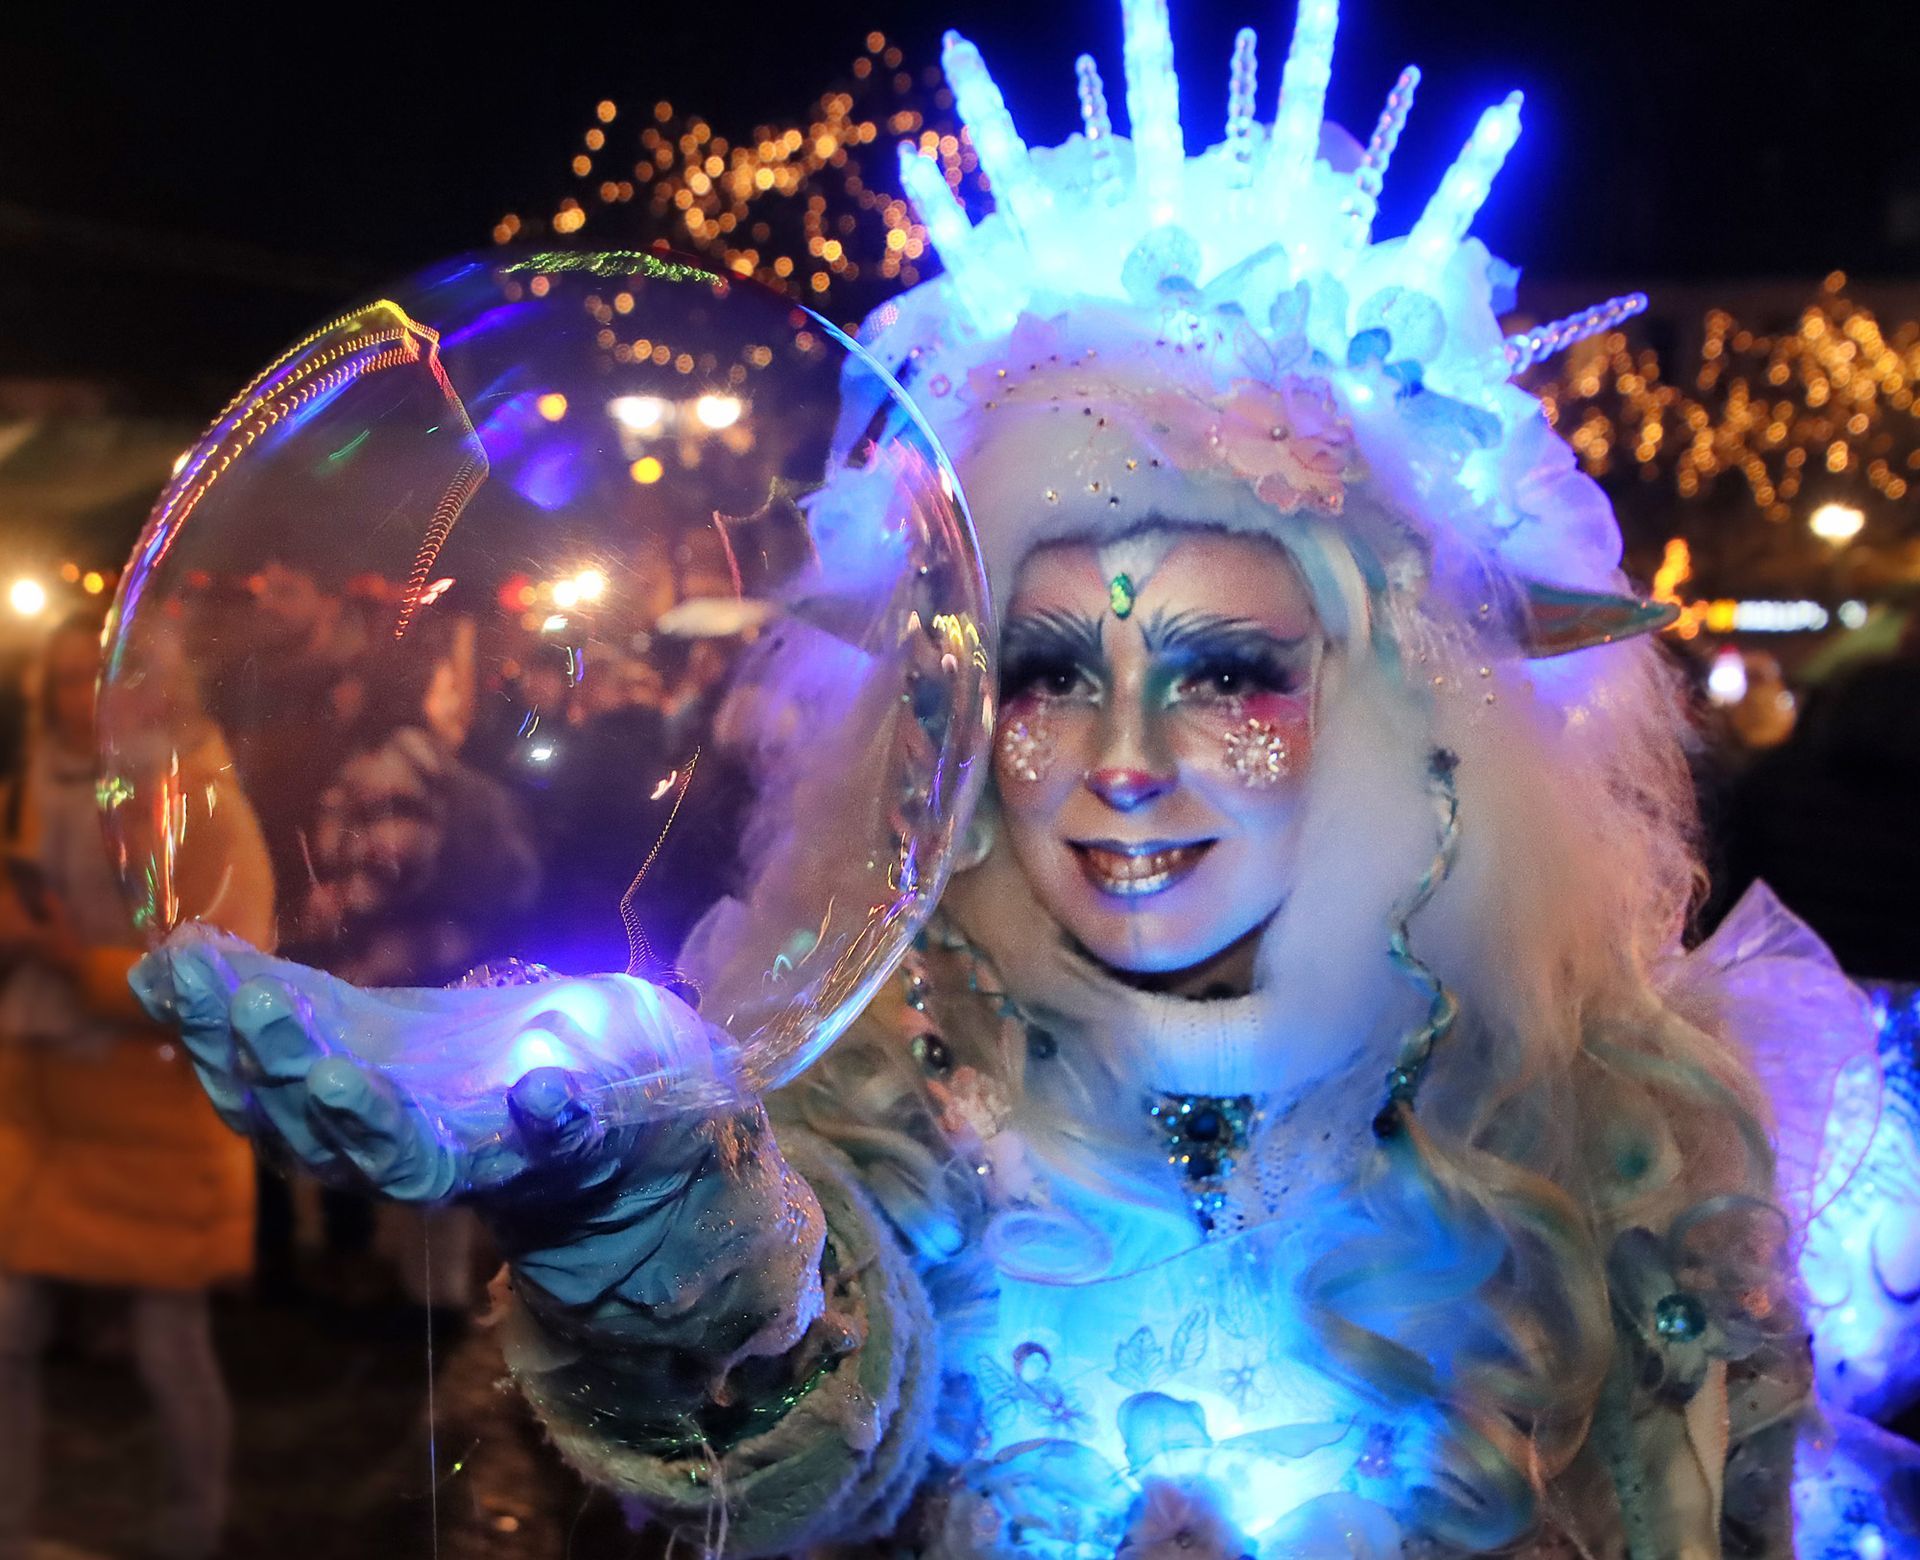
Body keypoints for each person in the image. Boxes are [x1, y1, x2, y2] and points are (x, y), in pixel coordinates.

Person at [124, 9, 1917, 1557]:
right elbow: (802, 1448)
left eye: (1226, 674)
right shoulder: (892, 1083)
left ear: (1392, 704)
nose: (1124, 767)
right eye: (1052, 673)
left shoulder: (1632, 1124)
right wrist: (645, 1205)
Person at [0, 612, 270, 1560]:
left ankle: (189, 1533)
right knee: (8, 1332)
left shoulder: (196, 796)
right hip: (43, 1101)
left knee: (170, 1347)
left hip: (152, 1109)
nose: (84, 699)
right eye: (64, 680)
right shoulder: (35, 788)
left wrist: (68, 961)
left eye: (102, 676)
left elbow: (226, 968)